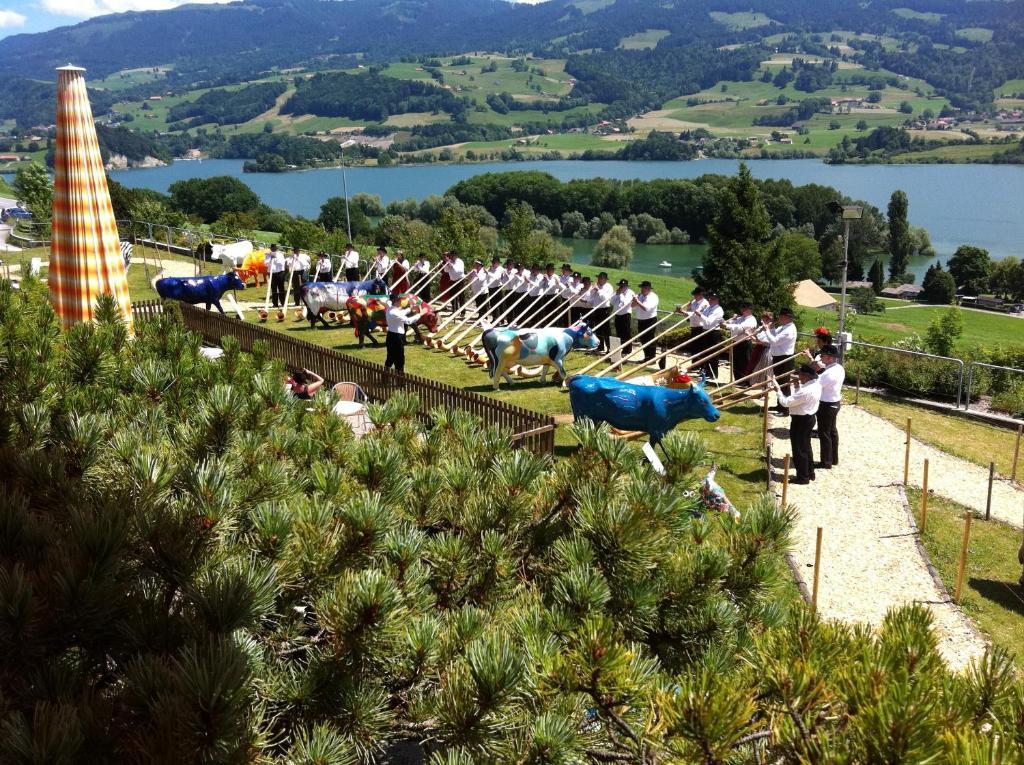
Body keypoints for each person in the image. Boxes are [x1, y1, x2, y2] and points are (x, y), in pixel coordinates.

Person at [772, 363, 821, 485]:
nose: (798, 376)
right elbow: (800, 400)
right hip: (809, 418)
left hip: (801, 421)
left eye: (800, 374)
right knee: (806, 447)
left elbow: (785, 403)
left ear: (805, 376)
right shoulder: (816, 384)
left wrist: (778, 390)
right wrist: (797, 386)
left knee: (799, 449)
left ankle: (803, 477)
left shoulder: (805, 391)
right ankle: (810, 472)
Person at [759, 307, 799, 414]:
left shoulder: (789, 330)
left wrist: (767, 330)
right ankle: (780, 405)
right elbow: (773, 334)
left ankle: (785, 409)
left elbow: (774, 341)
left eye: (781, 317)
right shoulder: (783, 327)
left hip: (785, 359)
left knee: (784, 383)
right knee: (778, 381)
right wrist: (770, 328)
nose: (779, 319)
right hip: (778, 357)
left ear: (787, 318)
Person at [816, 343, 845, 468]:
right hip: (834, 402)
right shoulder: (838, 368)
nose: (821, 357)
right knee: (832, 431)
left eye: (822, 355)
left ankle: (826, 462)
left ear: (830, 357)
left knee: (824, 433)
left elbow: (817, 384)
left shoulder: (829, 373)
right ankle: (833, 458)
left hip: (827, 405)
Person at [384, 296, 420, 374]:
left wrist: (410, 308)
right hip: (397, 338)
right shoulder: (394, 312)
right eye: (400, 301)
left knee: (390, 358)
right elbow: (408, 321)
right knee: (400, 359)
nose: (401, 303)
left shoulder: (390, 309)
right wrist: (419, 315)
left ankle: (385, 378)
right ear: (396, 301)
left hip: (391, 336)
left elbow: (401, 312)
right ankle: (400, 381)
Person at [723, 302, 757, 380]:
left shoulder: (751, 320)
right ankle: (738, 380)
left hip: (744, 343)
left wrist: (727, 326)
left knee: (745, 362)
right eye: (742, 308)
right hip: (736, 342)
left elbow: (740, 327)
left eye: (744, 309)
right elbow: (733, 323)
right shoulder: (741, 318)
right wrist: (731, 320)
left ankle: (746, 381)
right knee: (736, 362)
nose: (742, 310)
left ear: (750, 310)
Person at [632, 281, 661, 367]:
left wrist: (637, 301)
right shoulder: (640, 296)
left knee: (649, 339)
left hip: (650, 320)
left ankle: (652, 358)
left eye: (643, 288)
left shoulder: (653, 297)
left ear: (648, 289)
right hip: (641, 319)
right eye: (641, 288)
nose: (641, 290)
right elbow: (632, 306)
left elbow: (646, 308)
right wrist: (634, 301)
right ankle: (646, 357)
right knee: (643, 339)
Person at [696, 292, 724, 379]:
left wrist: (700, 314)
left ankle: (713, 374)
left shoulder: (719, 310)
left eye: (712, 299)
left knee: (713, 354)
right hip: (706, 331)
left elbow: (709, 322)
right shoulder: (708, 308)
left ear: (717, 301)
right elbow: (703, 319)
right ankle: (706, 372)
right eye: (710, 299)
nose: (710, 300)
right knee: (705, 352)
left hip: (714, 333)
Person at [588, 272, 614, 352]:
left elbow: (605, 298)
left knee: (606, 329)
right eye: (599, 278)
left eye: (601, 278)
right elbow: (590, 297)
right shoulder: (596, 285)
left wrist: (598, 290)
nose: (599, 279)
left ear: (605, 279)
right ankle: (600, 346)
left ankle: (610, 347)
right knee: (598, 328)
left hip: (604, 309)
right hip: (596, 309)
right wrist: (593, 290)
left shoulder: (609, 287)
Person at [611, 279, 635, 356]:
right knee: (619, 332)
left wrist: (620, 294)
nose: (621, 287)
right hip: (618, 314)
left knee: (626, 332)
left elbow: (625, 303)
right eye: (621, 286)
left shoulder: (630, 293)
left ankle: (627, 349)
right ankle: (620, 348)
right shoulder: (617, 292)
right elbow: (612, 302)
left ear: (627, 286)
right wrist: (616, 295)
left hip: (626, 314)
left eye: (623, 286)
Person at [264, 244, 286, 308]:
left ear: (276, 248)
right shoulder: (268, 255)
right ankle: (275, 303)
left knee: (281, 288)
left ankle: (283, 302)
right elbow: (265, 264)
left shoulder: (280, 254)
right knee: (273, 289)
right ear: (270, 249)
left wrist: (275, 259)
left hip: (280, 273)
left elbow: (282, 263)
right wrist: (271, 259)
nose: (273, 249)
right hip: (272, 273)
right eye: (272, 248)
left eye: (274, 248)